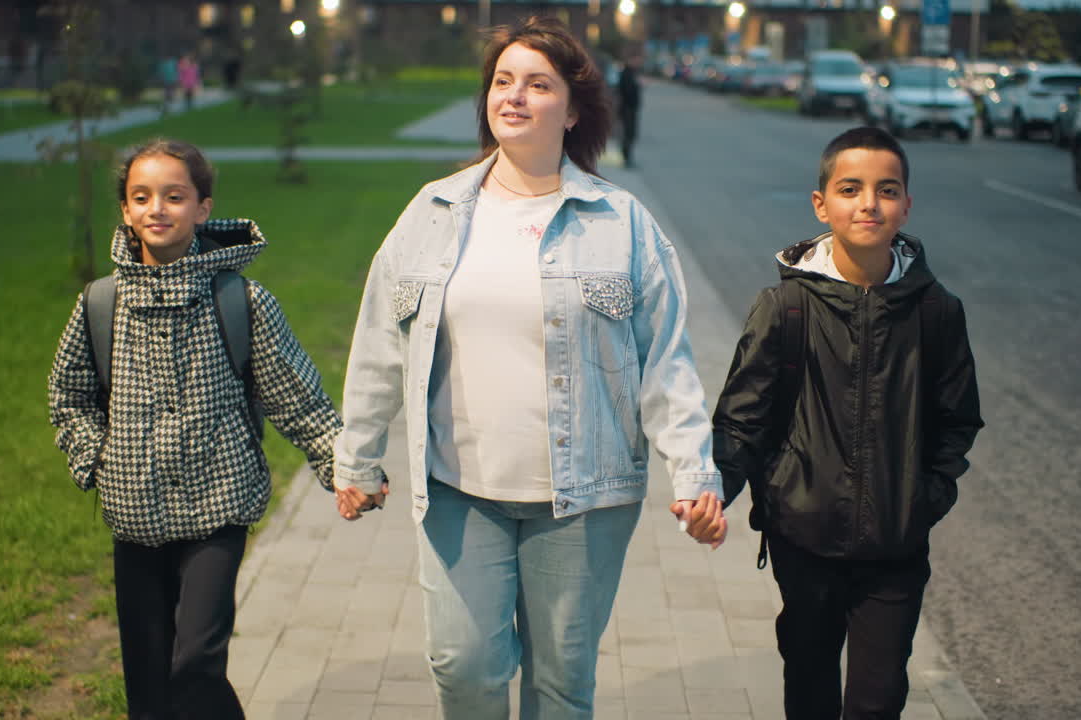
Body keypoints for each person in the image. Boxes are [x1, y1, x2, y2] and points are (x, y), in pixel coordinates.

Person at [331, 16, 727, 720]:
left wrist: (695, 474)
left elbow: (666, 361)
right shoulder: (432, 211)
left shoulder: (621, 221)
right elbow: (377, 345)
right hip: (458, 492)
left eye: (537, 84)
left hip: (583, 501)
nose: (513, 96)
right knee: (465, 668)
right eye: (502, 81)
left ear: (573, 111)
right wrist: (357, 459)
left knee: (560, 684)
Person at [47, 138, 342, 720]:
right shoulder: (100, 304)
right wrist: (97, 461)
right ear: (127, 212)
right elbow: (69, 397)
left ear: (203, 207)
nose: (158, 208)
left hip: (217, 508)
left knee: (195, 664)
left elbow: (297, 395)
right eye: (142, 196)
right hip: (135, 513)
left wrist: (341, 463)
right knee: (149, 690)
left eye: (174, 196)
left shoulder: (240, 300)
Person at [712, 126, 984, 720]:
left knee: (878, 698)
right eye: (850, 188)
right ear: (822, 204)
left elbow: (957, 419)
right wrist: (716, 493)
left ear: (906, 204)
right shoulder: (786, 308)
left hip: (895, 547)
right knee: (809, 686)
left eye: (887, 190)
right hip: (803, 542)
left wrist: (925, 497)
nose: (869, 203)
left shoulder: (937, 312)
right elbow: (742, 417)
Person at [616, 53, 642, 168]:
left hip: (631, 108)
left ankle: (627, 157)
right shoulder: (626, 73)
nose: (638, 62)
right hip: (627, 108)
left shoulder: (631, 72)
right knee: (628, 133)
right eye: (636, 59)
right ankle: (626, 158)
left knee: (631, 134)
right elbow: (625, 90)